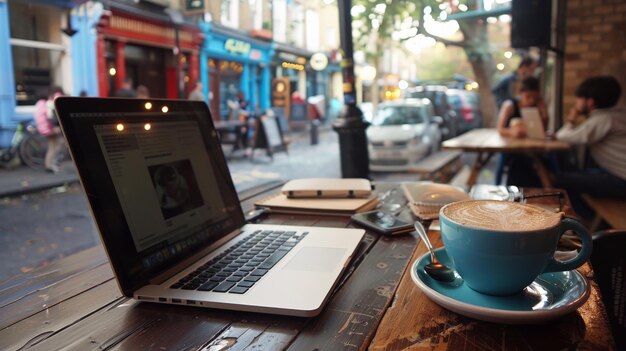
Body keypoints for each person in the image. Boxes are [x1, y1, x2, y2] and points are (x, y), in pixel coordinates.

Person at [554, 76, 626, 218]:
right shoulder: (618, 114)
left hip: (621, 180)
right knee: (580, 175)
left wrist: (572, 120)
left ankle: (585, 218)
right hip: (618, 175)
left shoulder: (603, 119)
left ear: (591, 101)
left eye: (579, 98)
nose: (576, 102)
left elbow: (562, 136)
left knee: (560, 180)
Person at [494, 76, 548, 186]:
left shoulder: (535, 106)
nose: (531, 100)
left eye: (535, 98)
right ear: (520, 93)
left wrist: (544, 112)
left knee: (545, 159)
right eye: (528, 96)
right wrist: (511, 132)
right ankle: (497, 186)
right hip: (510, 146)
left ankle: (551, 187)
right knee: (503, 159)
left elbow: (542, 129)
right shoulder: (510, 105)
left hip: (529, 146)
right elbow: (500, 128)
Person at [34, 86, 64, 173]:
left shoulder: (39, 104)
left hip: (42, 129)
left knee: (52, 146)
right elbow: (50, 117)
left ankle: (49, 165)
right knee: (53, 147)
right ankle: (49, 166)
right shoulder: (47, 104)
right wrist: (54, 127)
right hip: (49, 129)